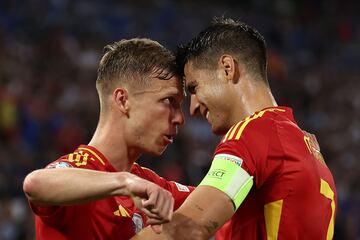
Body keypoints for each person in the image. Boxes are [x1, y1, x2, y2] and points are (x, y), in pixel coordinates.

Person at [133, 18, 337, 239]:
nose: (192, 108)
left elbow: (190, 227)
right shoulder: (304, 144)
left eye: (194, 87)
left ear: (227, 68)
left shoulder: (253, 132)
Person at [23, 38, 194, 240]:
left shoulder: (152, 185)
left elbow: (220, 197)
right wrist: (125, 182)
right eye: (169, 101)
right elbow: (35, 184)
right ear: (123, 100)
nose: (180, 118)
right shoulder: (79, 170)